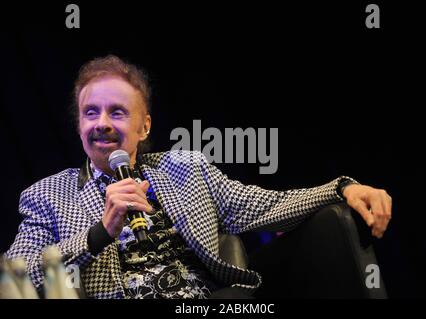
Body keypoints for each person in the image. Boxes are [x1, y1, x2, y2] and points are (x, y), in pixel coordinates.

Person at [6, 55, 392, 299]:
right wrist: (98, 233)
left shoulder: (185, 168)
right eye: (91, 113)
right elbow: (16, 277)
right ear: (78, 127)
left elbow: (264, 206)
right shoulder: (48, 195)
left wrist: (342, 187)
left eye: (117, 113)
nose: (102, 123)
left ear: (144, 127)